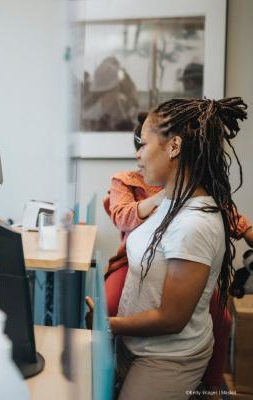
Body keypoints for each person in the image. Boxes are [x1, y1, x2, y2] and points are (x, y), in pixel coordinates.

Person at [87, 97, 248, 399]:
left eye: (144, 145)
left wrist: (109, 324)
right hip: (137, 345)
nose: (138, 156)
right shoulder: (169, 201)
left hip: (168, 357)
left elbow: (172, 318)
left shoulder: (194, 224)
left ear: (174, 146)